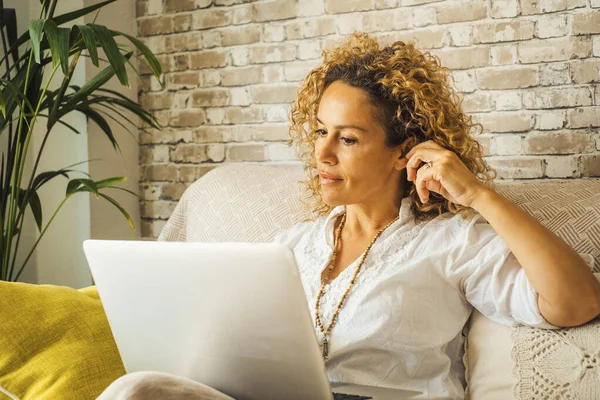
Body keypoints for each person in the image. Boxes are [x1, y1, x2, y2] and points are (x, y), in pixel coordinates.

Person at [98, 32, 600, 399]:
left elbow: (574, 302)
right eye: (320, 132)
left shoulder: (452, 241)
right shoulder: (290, 246)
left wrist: (480, 196)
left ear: (404, 152)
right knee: (138, 389)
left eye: (349, 138)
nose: (322, 154)